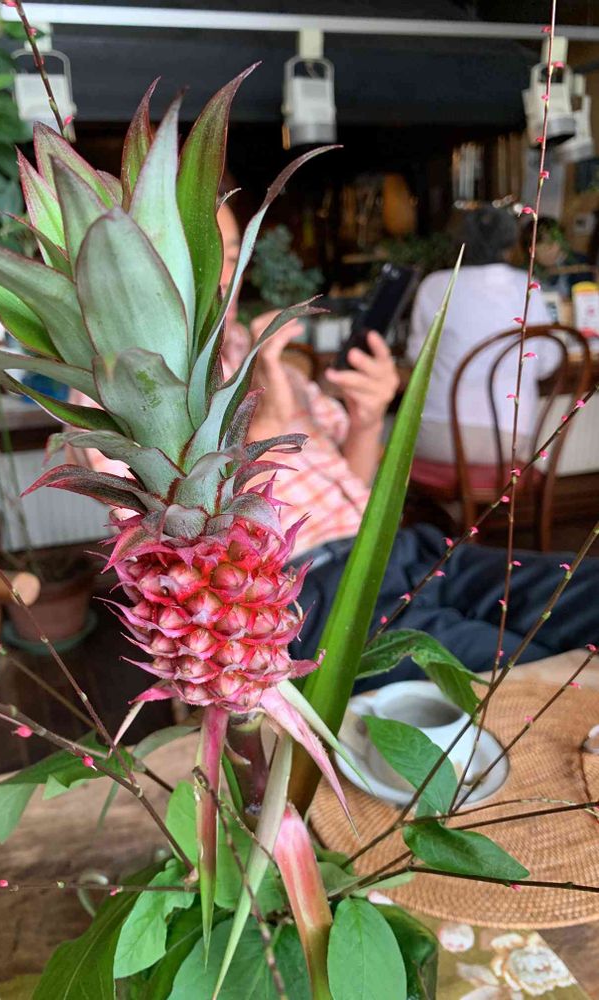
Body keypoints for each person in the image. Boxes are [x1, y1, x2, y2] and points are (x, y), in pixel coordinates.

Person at [217, 203, 598, 687]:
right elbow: (205, 571)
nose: (225, 279)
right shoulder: (142, 402)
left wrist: (367, 418)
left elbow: (354, 483)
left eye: (233, 257)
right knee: (531, 680)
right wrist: (264, 433)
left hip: (400, 548)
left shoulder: (270, 361)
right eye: (205, 256)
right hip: (307, 587)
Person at [407, 206, 557, 467]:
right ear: (510, 245)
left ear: (459, 242)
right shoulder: (527, 286)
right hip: (509, 442)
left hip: (439, 438)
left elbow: (416, 359)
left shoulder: (435, 284)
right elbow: (547, 363)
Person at [533, 216, 594, 301]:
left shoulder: (579, 263)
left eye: (551, 243)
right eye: (540, 244)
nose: (547, 250)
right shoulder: (528, 270)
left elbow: (586, 301)